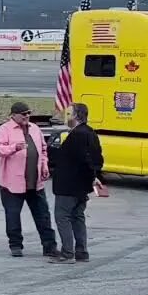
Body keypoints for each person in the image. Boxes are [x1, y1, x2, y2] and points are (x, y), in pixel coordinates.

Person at [0, 101, 60, 258]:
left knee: (43, 215)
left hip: (35, 182)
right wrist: (14, 148)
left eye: (29, 113)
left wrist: (44, 166)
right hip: (12, 184)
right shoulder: (4, 130)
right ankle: (16, 245)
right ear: (13, 115)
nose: (27, 116)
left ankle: (49, 246)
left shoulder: (35, 129)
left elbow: (43, 150)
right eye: (24, 114)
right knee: (13, 215)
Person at [48, 102, 104, 264]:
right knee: (78, 217)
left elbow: (67, 158)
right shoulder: (90, 133)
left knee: (62, 216)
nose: (66, 118)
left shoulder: (76, 135)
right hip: (82, 186)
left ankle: (67, 253)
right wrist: (94, 176)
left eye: (68, 114)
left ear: (76, 116)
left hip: (69, 186)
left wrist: (50, 150)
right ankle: (82, 251)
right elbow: (97, 158)